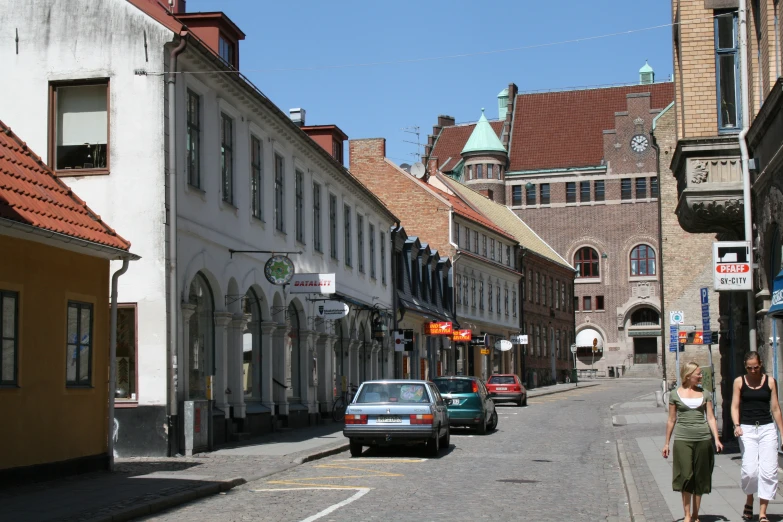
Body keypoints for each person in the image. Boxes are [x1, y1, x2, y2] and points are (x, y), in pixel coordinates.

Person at [662, 361, 723, 522]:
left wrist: (716, 438)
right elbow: (671, 419)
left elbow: (710, 417)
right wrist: (667, 443)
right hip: (683, 439)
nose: (701, 376)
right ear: (689, 376)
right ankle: (687, 514)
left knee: (700, 477)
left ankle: (696, 514)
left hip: (703, 438)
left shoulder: (705, 393)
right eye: (698, 374)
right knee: (686, 476)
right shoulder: (675, 394)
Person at [730, 351, 783, 522]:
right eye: (750, 367)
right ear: (745, 366)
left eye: (756, 367)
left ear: (761, 364)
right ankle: (749, 498)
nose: (753, 370)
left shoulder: (770, 381)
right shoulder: (739, 381)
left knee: (768, 472)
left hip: (767, 428)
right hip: (747, 429)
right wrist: (736, 425)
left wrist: (782, 431)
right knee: (750, 471)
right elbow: (735, 406)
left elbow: (775, 408)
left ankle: (762, 513)